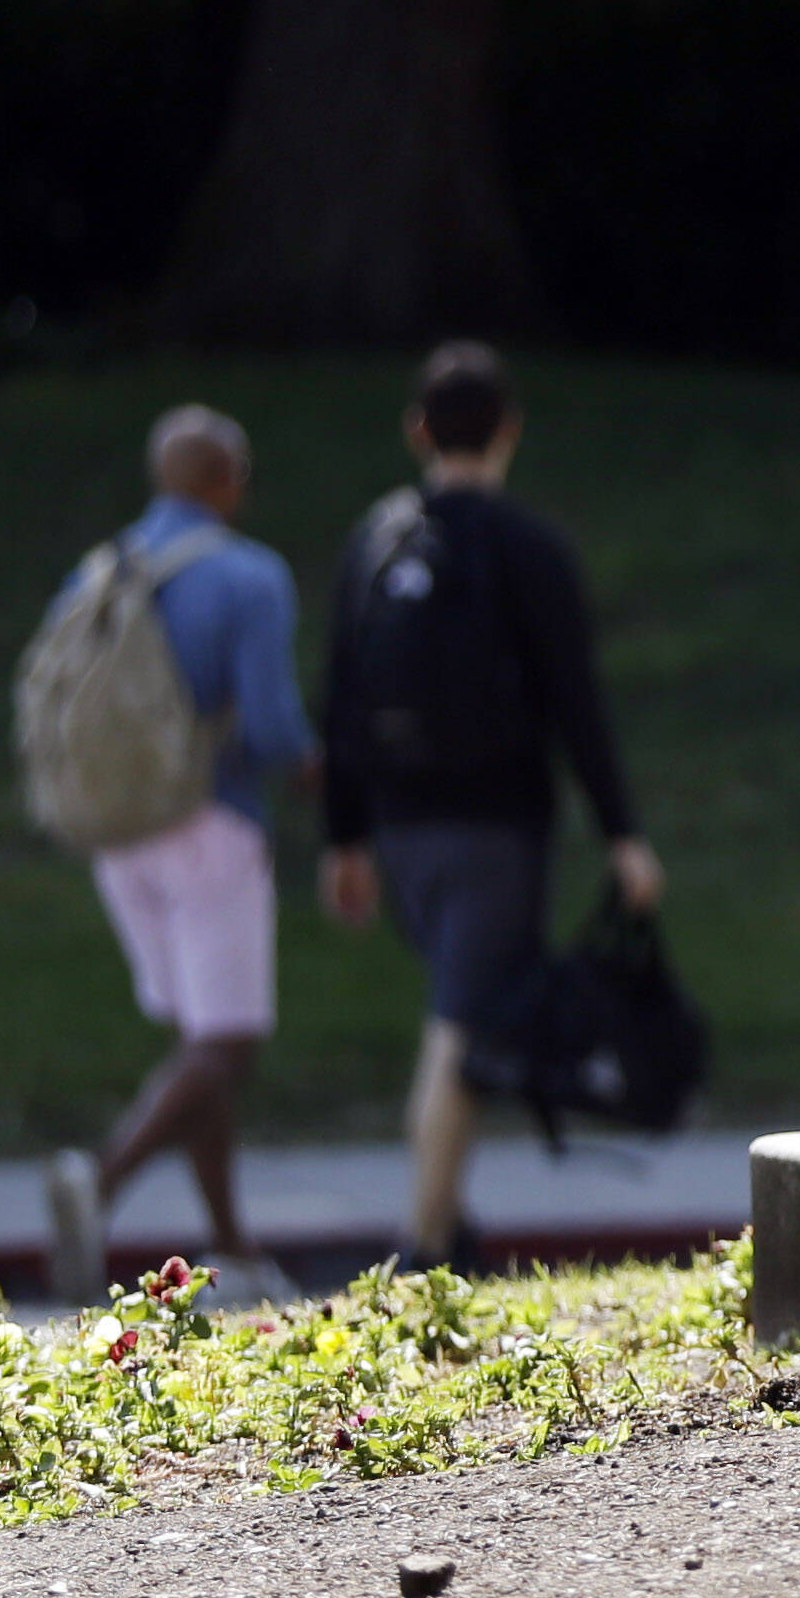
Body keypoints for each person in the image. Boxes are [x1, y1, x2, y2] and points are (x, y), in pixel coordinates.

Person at [318, 342, 661, 1268]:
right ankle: (422, 1249)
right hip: (497, 827)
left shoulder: (376, 541)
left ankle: (445, 1219)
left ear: (418, 431)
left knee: (461, 1011)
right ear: (508, 430)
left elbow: (341, 699)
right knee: (461, 1029)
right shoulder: (530, 548)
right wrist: (622, 833)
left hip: (399, 828)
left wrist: (344, 838)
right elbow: (573, 702)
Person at [45, 405, 313, 1308]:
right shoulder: (249, 577)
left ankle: (230, 1246)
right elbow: (273, 727)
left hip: (117, 834)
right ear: (227, 480)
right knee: (227, 1045)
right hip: (210, 823)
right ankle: (102, 1182)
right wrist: (334, 785)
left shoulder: (102, 570)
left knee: (203, 1042)